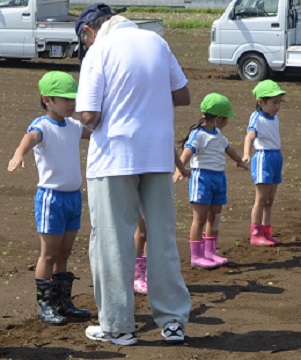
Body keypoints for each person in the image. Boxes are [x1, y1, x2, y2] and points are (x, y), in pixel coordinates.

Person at [74, 4, 191, 346]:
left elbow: (89, 115)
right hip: (156, 154)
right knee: (162, 236)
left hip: (114, 157)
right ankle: (172, 322)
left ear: (89, 32)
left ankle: (117, 325)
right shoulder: (156, 41)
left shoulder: (99, 50)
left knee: (112, 240)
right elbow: (182, 95)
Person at [8, 71, 91, 325]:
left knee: (65, 252)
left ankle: (62, 302)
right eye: (65, 99)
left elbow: (98, 131)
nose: (71, 103)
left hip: (73, 198)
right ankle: (45, 305)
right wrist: (19, 154)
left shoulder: (74, 127)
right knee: (49, 254)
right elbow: (30, 138)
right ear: (47, 100)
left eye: (73, 99)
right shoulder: (42, 126)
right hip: (51, 199)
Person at [174, 93, 248, 269]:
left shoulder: (218, 134)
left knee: (215, 215)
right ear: (220, 118)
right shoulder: (198, 134)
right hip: (202, 178)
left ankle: (210, 251)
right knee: (199, 218)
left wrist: (239, 161)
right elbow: (187, 151)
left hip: (218, 177)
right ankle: (196, 255)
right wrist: (180, 168)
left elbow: (228, 149)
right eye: (227, 118)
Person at [134, 150, 190, 295]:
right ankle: (136, 275)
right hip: (134, 176)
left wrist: (181, 167)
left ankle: (149, 272)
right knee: (141, 231)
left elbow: (168, 144)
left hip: (155, 177)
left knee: (153, 230)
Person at [242, 79, 285, 246]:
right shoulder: (256, 117)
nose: (277, 106)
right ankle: (255, 233)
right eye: (274, 102)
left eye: (279, 102)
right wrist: (246, 153)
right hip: (263, 158)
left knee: (270, 199)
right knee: (261, 199)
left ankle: (267, 232)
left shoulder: (274, 119)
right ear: (261, 101)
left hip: (276, 157)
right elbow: (250, 135)